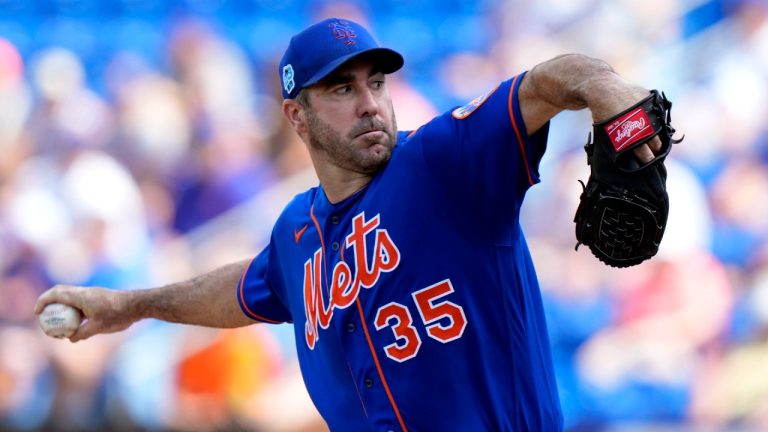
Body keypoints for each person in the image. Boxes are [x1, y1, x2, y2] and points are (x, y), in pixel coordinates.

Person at [35, 18, 663, 432]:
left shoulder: (443, 161)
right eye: (340, 88)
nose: (368, 101)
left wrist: (612, 99)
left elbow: (557, 81)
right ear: (297, 116)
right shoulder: (295, 234)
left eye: (377, 81)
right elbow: (245, 289)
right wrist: (129, 305)